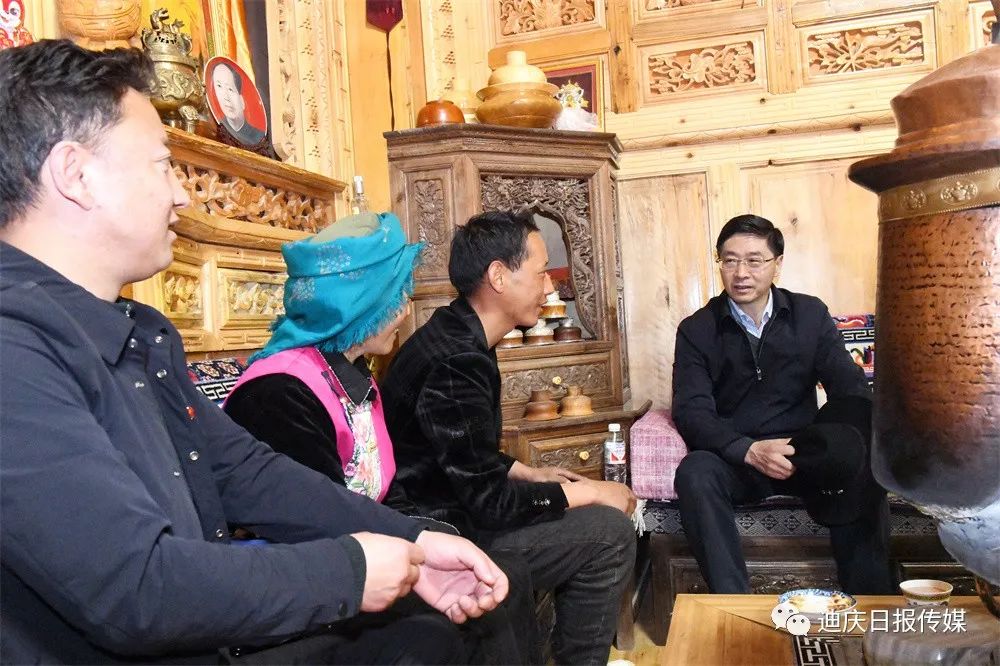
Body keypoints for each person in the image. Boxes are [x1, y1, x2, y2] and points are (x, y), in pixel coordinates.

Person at [0, 39, 509, 664]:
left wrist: (416, 540)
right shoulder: (13, 351)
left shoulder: (136, 331)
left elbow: (243, 471)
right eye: (162, 165)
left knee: (425, 639)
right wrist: (348, 571)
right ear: (75, 174)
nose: (181, 195)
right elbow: (134, 589)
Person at [223, 211, 540, 664]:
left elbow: (385, 492)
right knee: (475, 610)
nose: (405, 310)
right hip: (309, 579)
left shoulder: (351, 376)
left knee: (500, 578)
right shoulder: (279, 391)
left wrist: (435, 538)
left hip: (367, 549)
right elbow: (318, 521)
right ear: (358, 303)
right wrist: (419, 552)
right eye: (394, 298)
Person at [380, 210, 638, 666]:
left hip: (450, 509)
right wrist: (593, 491)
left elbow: (458, 450)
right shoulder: (457, 361)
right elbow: (490, 503)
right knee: (610, 532)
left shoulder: (456, 333)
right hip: (443, 532)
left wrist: (525, 471)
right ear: (499, 276)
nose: (549, 288)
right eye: (541, 273)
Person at [671, 213, 893, 595]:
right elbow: (691, 411)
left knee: (860, 453)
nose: (741, 272)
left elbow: (849, 388)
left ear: (777, 264)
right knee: (695, 472)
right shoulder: (697, 330)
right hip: (739, 458)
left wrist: (843, 443)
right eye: (729, 260)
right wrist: (748, 450)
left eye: (754, 260)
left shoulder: (810, 315)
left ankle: (871, 599)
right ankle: (734, 605)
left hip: (804, 453)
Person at [210, 59, 266, 146]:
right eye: (219, 86)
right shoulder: (215, 129)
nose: (226, 97)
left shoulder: (258, 137)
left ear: (242, 100)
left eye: (230, 89)